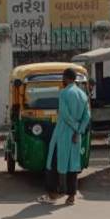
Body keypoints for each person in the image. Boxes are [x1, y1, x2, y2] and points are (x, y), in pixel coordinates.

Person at [40, 67, 91, 205]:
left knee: (53, 163)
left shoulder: (64, 93)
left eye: (63, 77)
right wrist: (79, 131)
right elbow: (87, 116)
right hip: (75, 136)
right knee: (73, 166)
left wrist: (74, 128)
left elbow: (65, 114)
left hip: (62, 134)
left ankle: (52, 194)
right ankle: (71, 196)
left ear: (67, 78)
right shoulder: (83, 95)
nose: (62, 80)